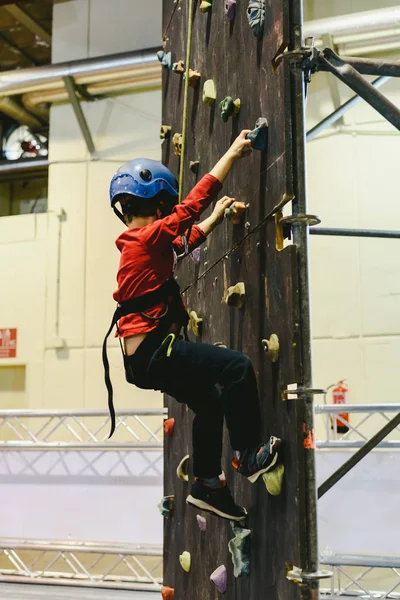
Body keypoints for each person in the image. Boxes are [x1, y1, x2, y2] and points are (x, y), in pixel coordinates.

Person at [105, 130, 281, 521]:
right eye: (167, 206)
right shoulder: (144, 239)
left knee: (209, 402)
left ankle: (207, 483)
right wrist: (233, 153)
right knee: (235, 367)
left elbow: (184, 240)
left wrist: (217, 217)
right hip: (154, 351)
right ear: (159, 203)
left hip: (144, 360)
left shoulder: (143, 242)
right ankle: (248, 454)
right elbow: (190, 210)